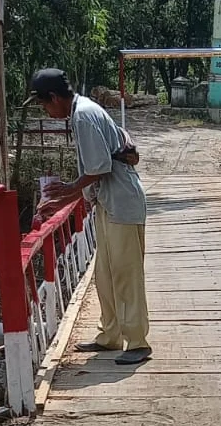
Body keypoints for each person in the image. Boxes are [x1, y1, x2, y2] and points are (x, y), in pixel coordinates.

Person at [25, 68, 151, 365]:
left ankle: (136, 341)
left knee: (126, 273)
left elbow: (100, 167)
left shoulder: (82, 116)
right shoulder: (83, 111)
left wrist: (67, 193)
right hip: (108, 202)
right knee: (106, 272)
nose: (47, 110)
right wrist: (70, 194)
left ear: (55, 97)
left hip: (122, 201)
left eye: (45, 104)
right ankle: (110, 334)